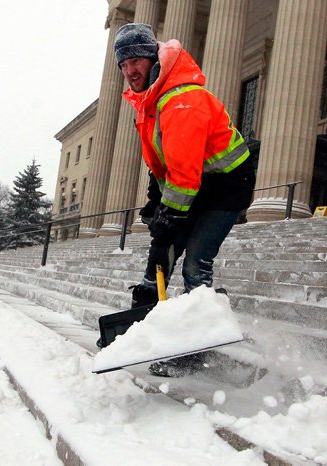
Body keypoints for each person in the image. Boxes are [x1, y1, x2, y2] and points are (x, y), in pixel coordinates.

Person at [114, 24, 256, 376]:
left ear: (151, 58)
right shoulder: (150, 100)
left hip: (226, 185)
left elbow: (186, 170)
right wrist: (155, 203)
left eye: (135, 61)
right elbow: (161, 163)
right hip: (194, 184)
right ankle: (149, 311)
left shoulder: (180, 100)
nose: (130, 71)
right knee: (161, 254)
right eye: (123, 64)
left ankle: (203, 342)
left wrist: (170, 216)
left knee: (195, 262)